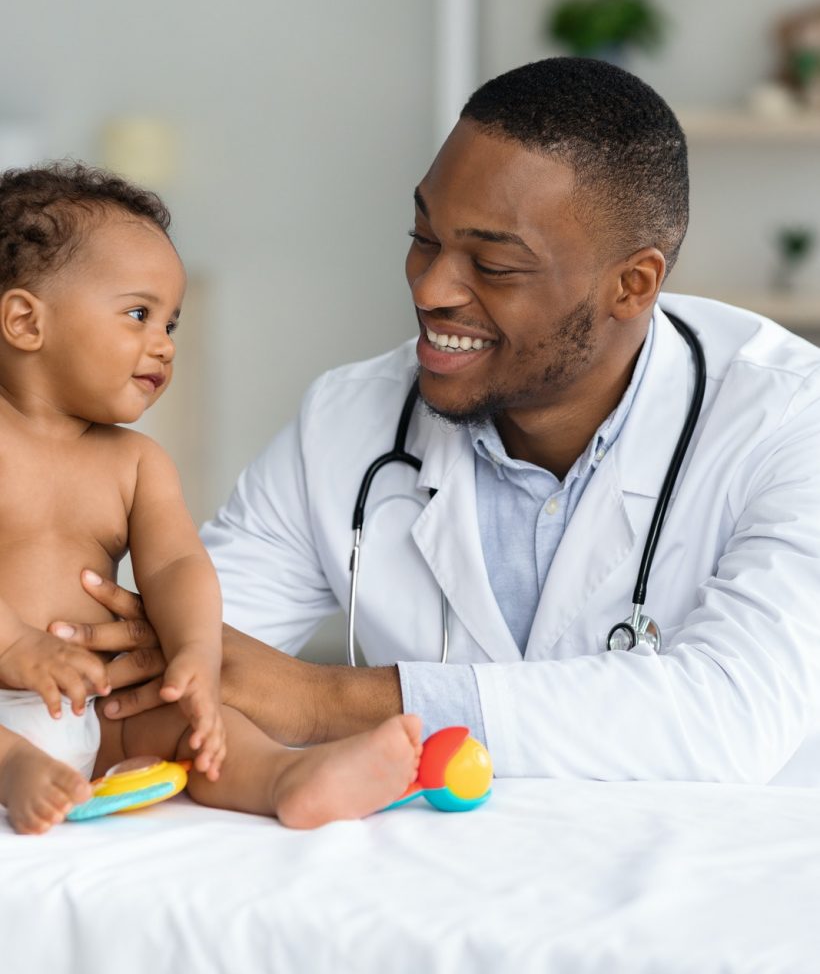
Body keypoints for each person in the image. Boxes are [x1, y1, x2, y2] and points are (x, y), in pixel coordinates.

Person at [54, 58, 820, 786]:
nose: (430, 287)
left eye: (494, 266)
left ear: (634, 283)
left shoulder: (788, 416)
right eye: (424, 237)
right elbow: (189, 660)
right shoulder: (346, 421)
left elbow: (734, 714)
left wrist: (329, 701)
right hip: (435, 889)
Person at [0, 163, 422, 835]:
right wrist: (14, 645)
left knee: (200, 726)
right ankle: (14, 766)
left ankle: (292, 777)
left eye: (171, 322)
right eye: (139, 314)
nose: (163, 345)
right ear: (26, 321)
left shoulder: (134, 462)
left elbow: (176, 568)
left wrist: (196, 655)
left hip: (90, 711)